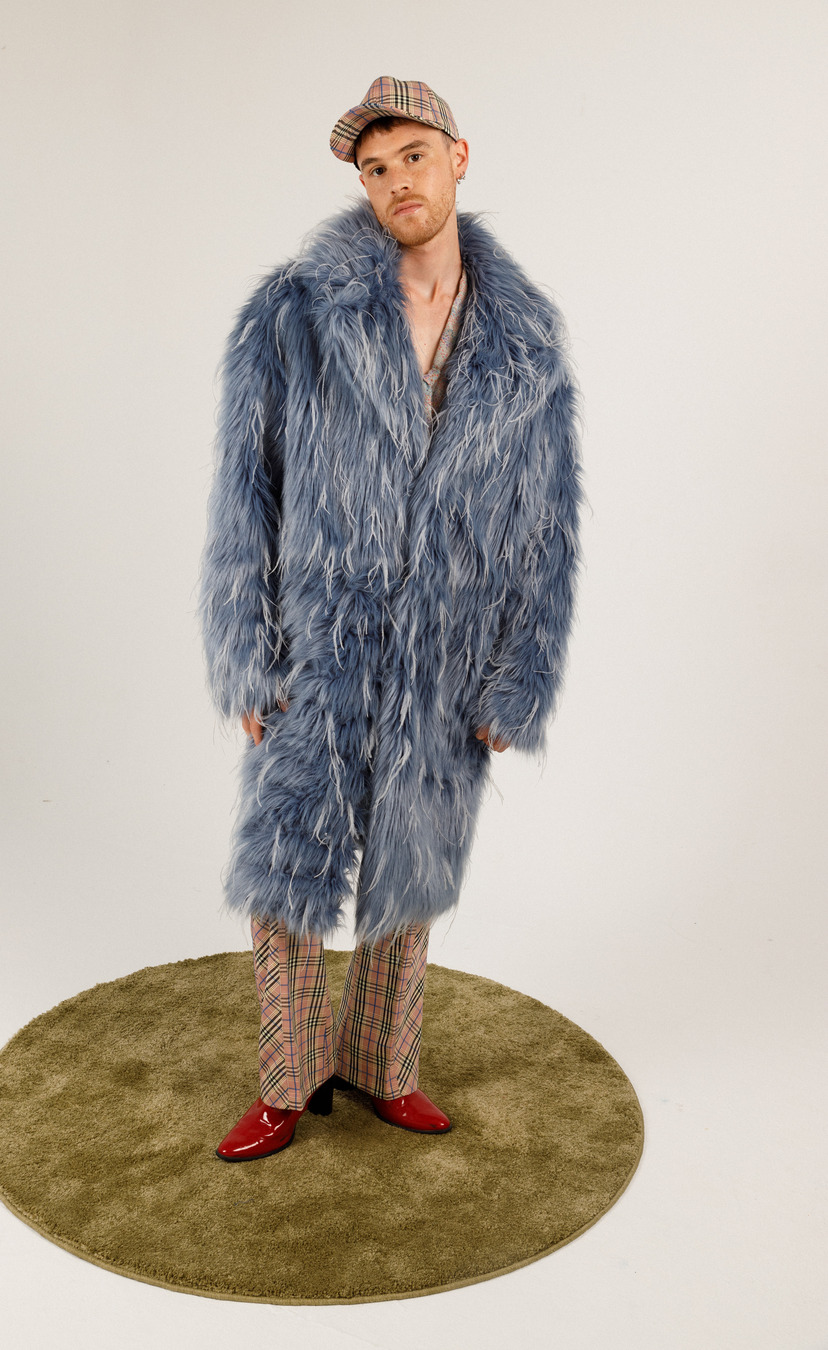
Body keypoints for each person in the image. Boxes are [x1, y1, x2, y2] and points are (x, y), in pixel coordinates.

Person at [198, 77, 585, 1162]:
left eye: (412, 155)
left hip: (449, 651)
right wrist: (246, 651)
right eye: (375, 168)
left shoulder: (525, 339)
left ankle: (381, 1063)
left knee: (414, 866)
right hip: (318, 641)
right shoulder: (294, 313)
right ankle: (287, 1080)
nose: (395, 180)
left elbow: (548, 522)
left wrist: (521, 675)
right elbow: (244, 491)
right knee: (288, 866)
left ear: (458, 157)